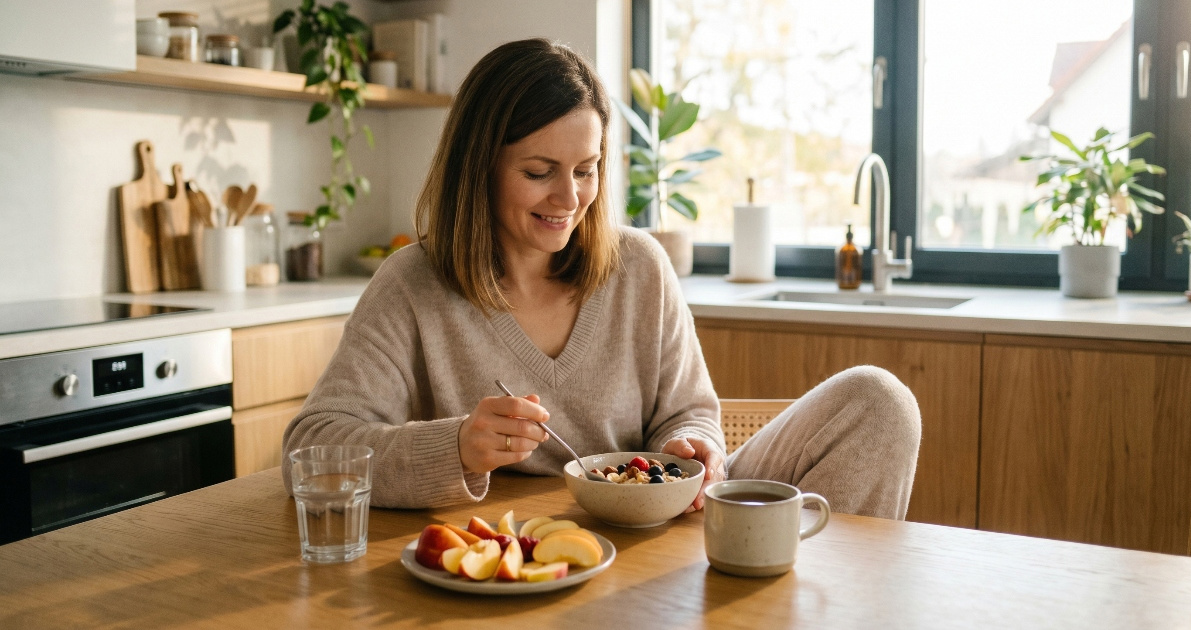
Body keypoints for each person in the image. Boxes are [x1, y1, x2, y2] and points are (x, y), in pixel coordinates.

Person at [281, 38, 921, 519]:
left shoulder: (640, 266)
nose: (569, 197)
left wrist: (689, 446)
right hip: (516, 555)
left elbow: (691, 413)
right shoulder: (412, 285)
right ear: (478, 167)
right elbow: (310, 448)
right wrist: (458, 447)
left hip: (664, 533)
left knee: (879, 401)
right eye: (538, 171)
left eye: (586, 169)